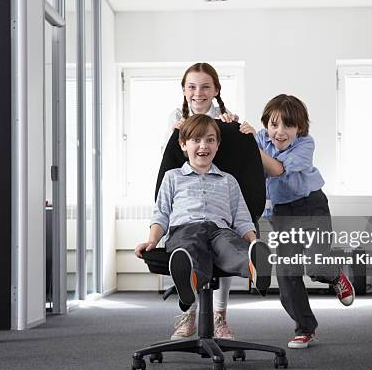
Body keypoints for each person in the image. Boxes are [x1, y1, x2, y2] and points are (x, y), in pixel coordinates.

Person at [136, 114, 272, 340]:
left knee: (230, 246)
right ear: (183, 145)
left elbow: (241, 217)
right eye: (196, 140)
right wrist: (152, 241)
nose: (203, 146)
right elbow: (161, 214)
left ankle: (253, 267)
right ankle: (189, 280)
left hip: (220, 230)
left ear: (218, 145)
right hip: (185, 229)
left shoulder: (228, 180)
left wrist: (252, 241)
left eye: (210, 140)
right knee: (190, 248)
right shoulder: (173, 177)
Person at [240, 94, 355, 349]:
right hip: (283, 214)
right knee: (287, 276)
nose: (279, 132)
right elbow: (240, 145)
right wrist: (236, 125)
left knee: (315, 266)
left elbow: (277, 169)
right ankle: (305, 329)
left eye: (288, 126)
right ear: (265, 125)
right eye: (273, 125)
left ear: (299, 129)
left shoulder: (305, 144)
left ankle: (334, 275)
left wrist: (253, 146)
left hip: (311, 207)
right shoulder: (259, 138)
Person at [162, 63, 239, 341]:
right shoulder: (175, 119)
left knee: (225, 244)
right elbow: (167, 164)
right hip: (187, 204)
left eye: (206, 86)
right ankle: (189, 314)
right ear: (184, 90)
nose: (198, 93)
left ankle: (220, 316)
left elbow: (243, 165)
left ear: (216, 90)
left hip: (219, 201)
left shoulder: (228, 119)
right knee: (187, 248)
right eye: (192, 87)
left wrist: (245, 131)